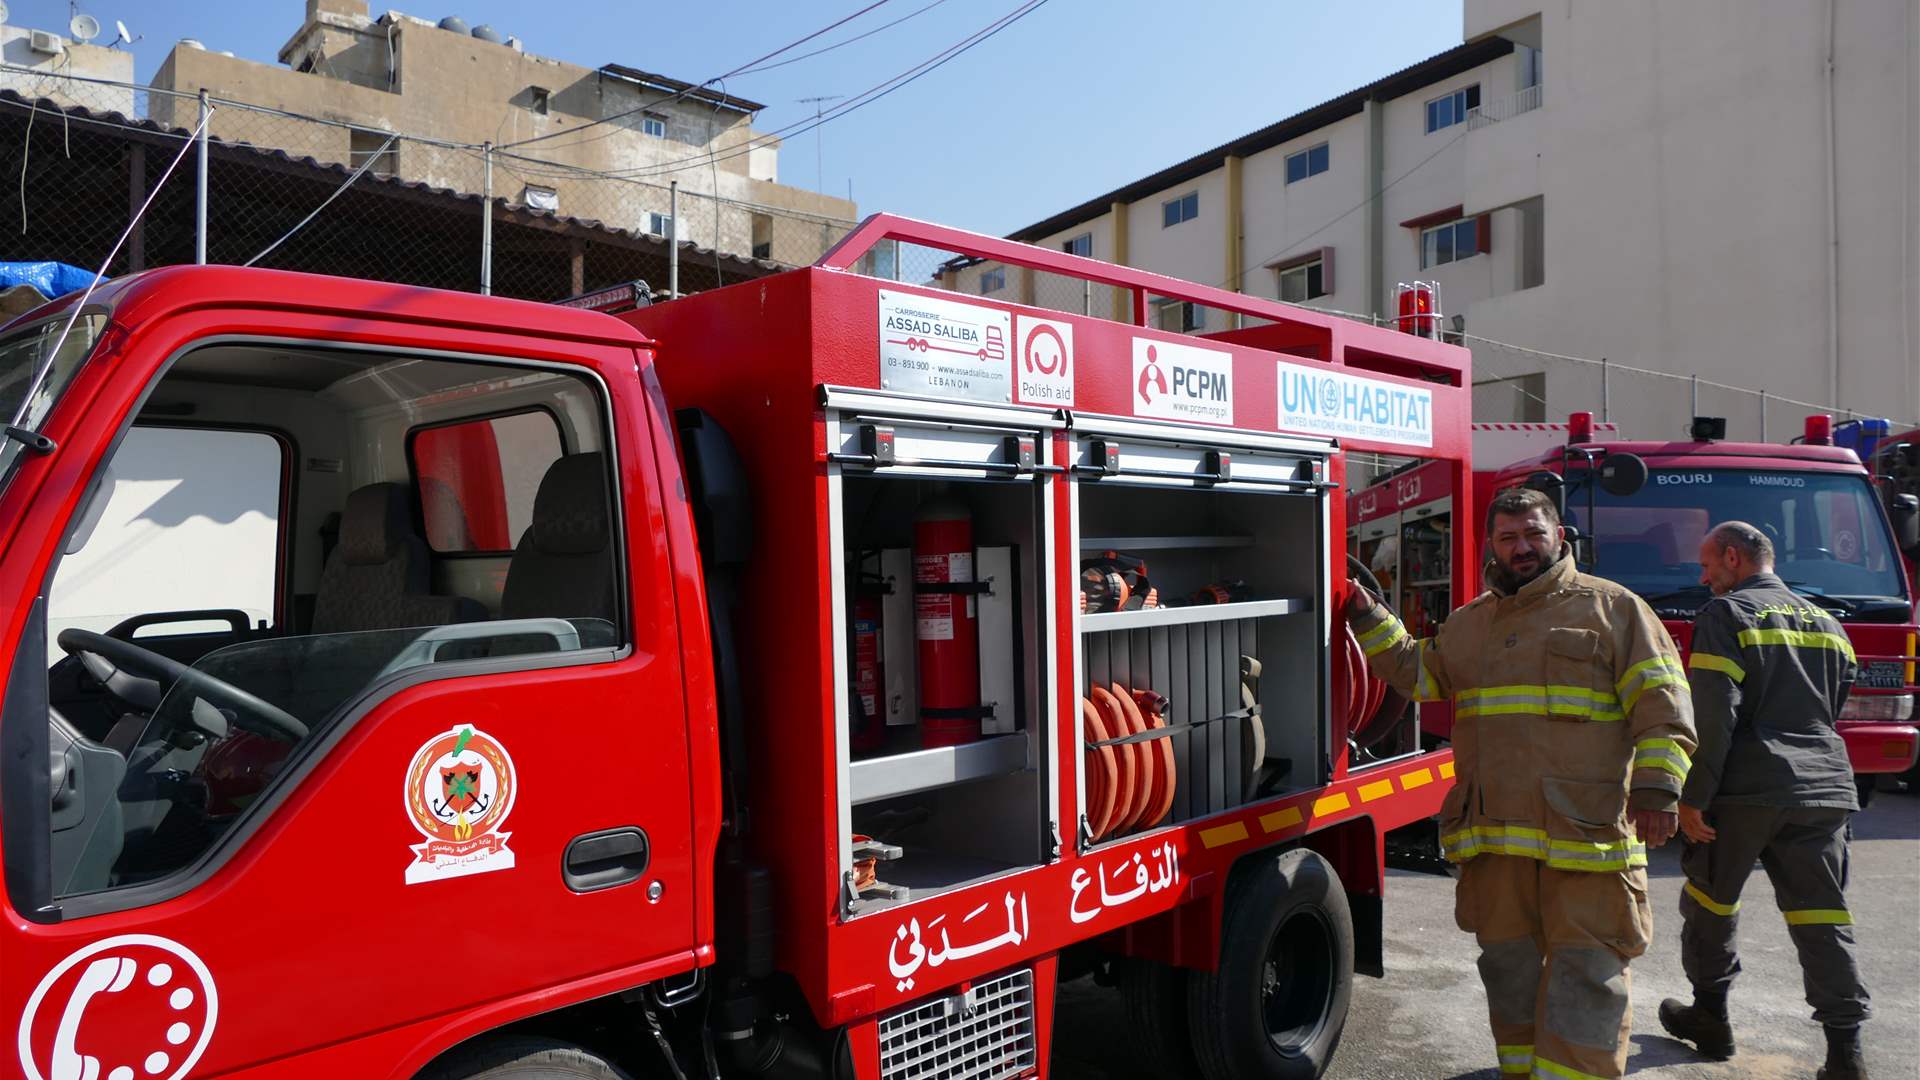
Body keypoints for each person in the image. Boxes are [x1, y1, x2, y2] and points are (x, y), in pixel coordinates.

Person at [1347, 486, 1695, 1080]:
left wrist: (1658, 791)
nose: (1522, 547)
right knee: (1507, 971)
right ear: (1492, 545)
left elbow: (1664, 707)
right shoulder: (1472, 623)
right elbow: (1420, 673)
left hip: (1586, 841)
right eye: (1509, 537)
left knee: (1587, 976)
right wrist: (1365, 614)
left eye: (1534, 533)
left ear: (1559, 535)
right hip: (1496, 843)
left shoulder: (1614, 609)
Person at [1659, 521, 1870, 1080]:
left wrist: (1693, 797)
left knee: (1710, 906)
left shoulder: (1725, 615)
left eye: (1708, 566)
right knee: (1824, 920)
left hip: (1745, 790)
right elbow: (1834, 702)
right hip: (1824, 788)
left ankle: (1711, 1019)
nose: (1704, 579)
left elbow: (1713, 715)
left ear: (1734, 557)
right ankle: (1845, 1055)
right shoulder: (1827, 621)